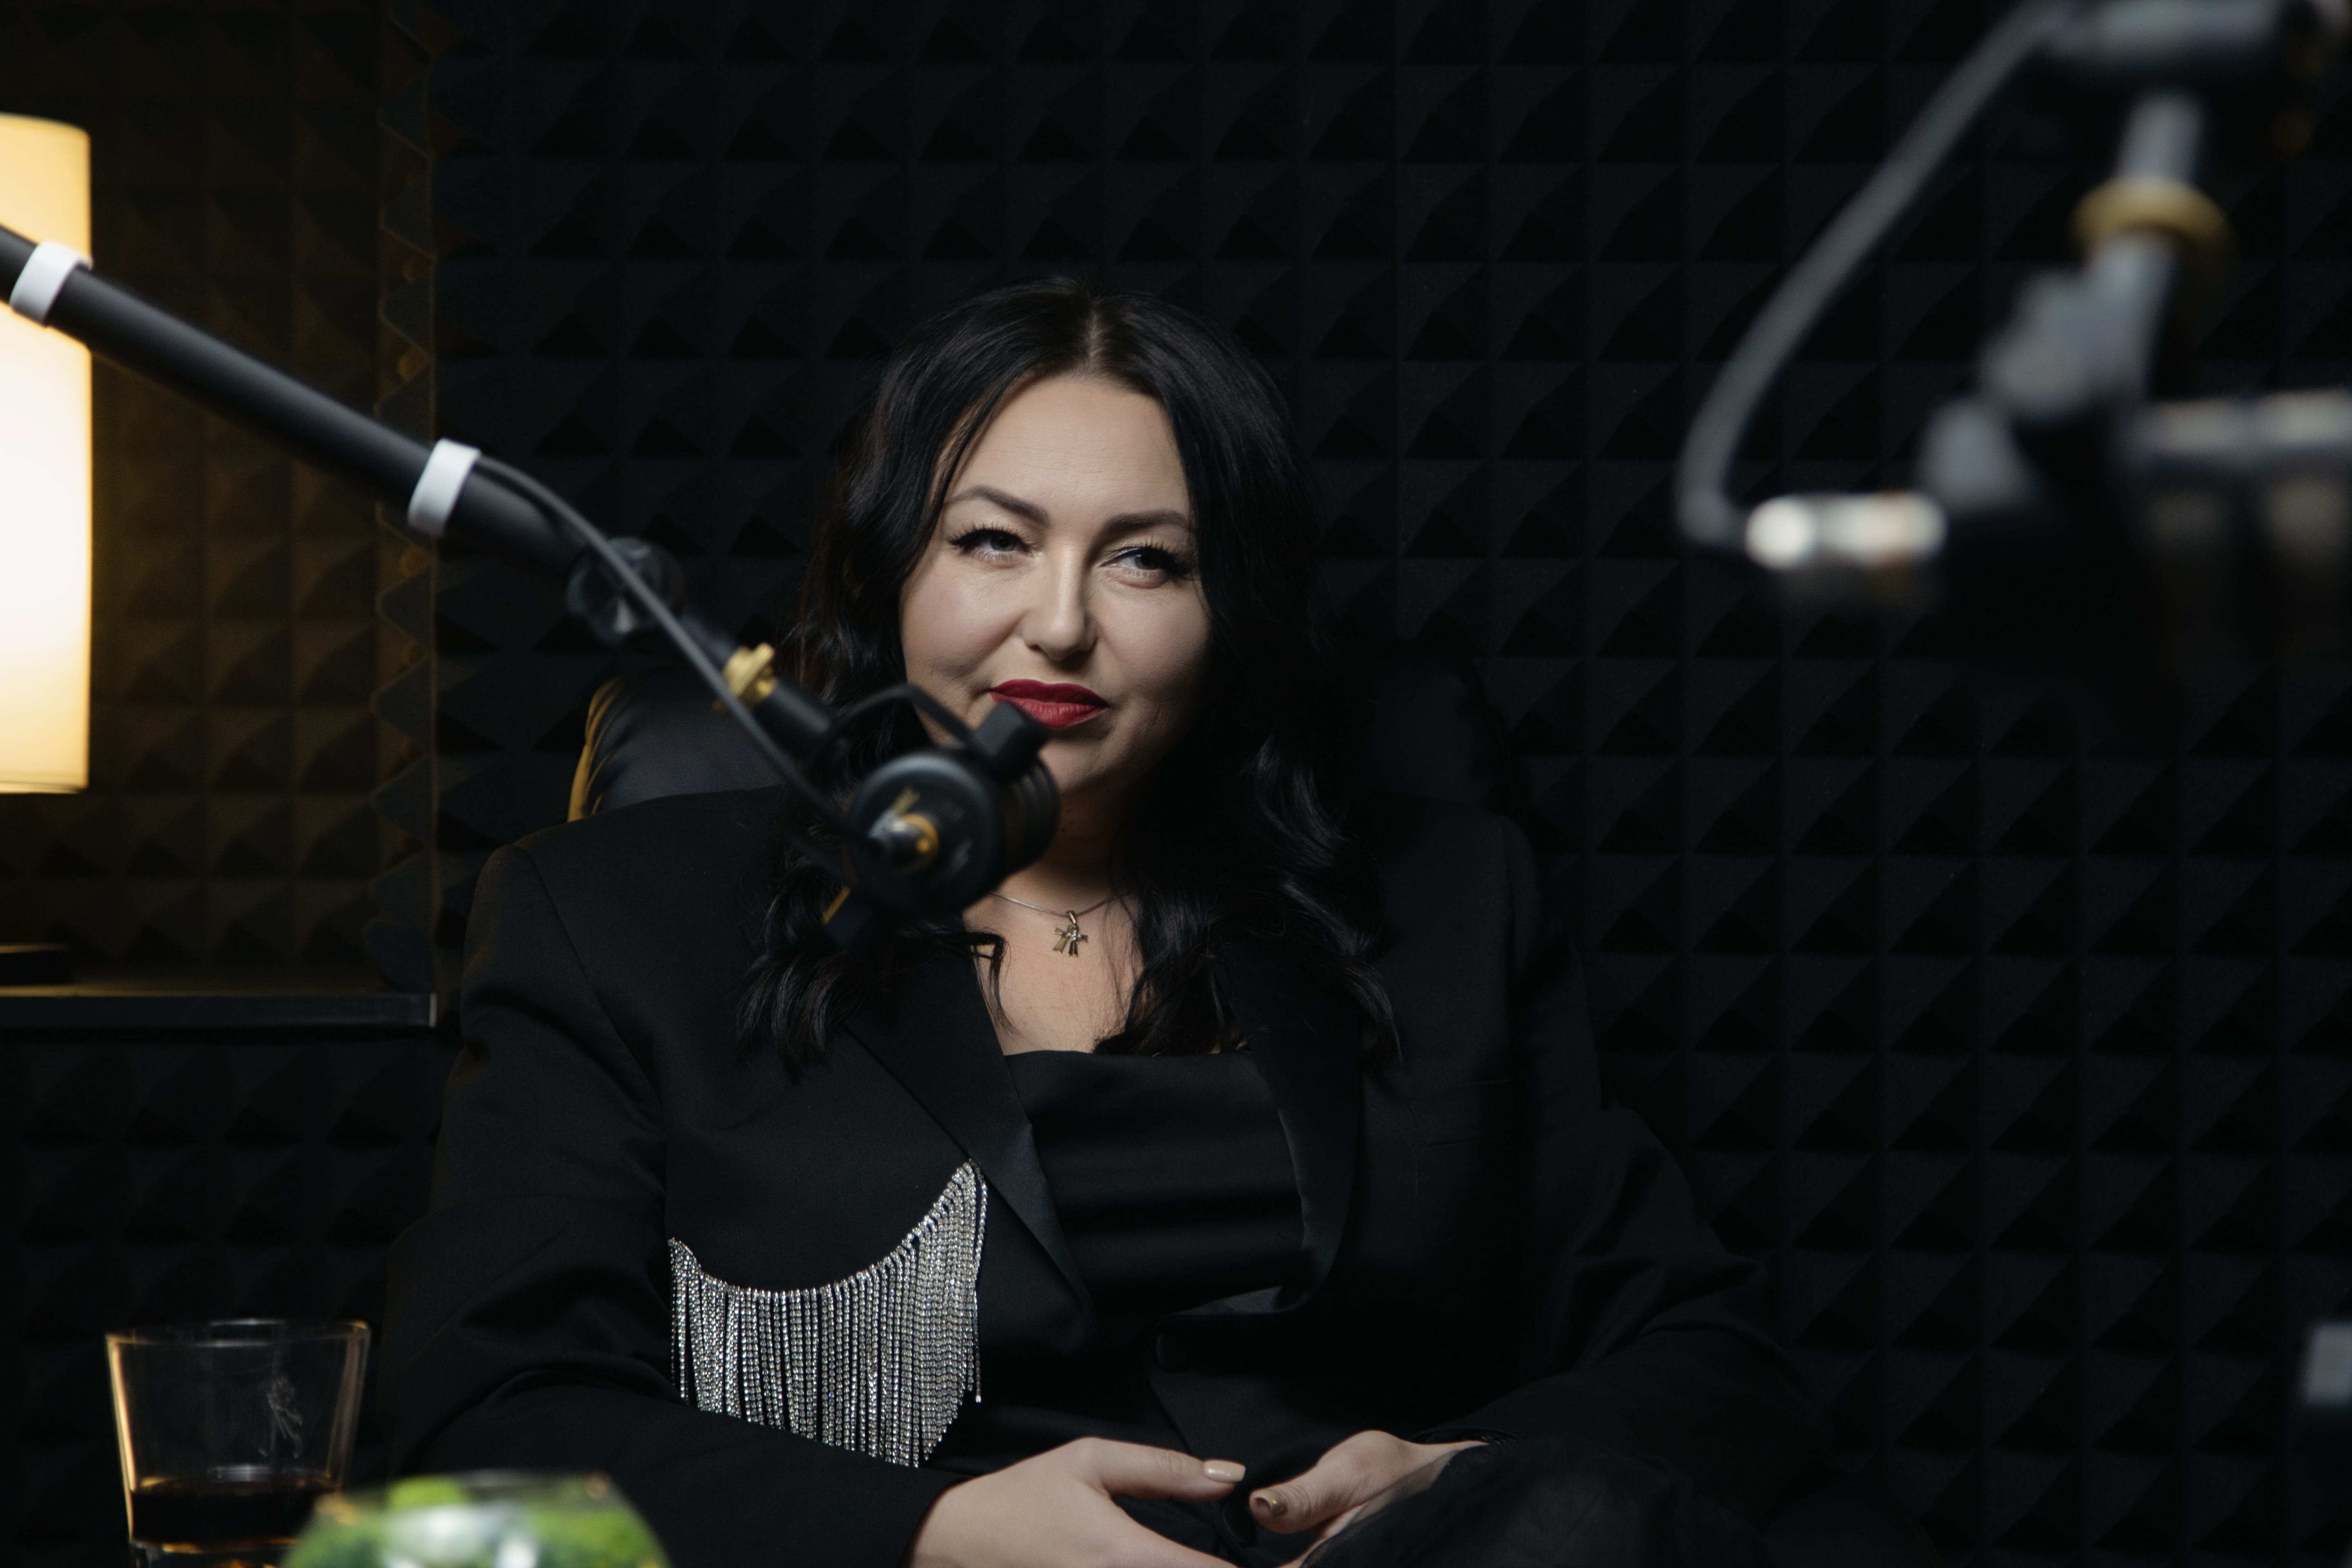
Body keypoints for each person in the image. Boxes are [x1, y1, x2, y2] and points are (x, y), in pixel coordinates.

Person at [381, 278, 1829, 1568]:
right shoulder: (612, 915)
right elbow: (479, 1423)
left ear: (1228, 607)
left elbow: (1713, 1363)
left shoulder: (1450, 901)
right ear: (889, 570)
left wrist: (1460, 1475)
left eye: (1148, 560)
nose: (1062, 623)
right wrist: (938, 1533)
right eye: (993, 542)